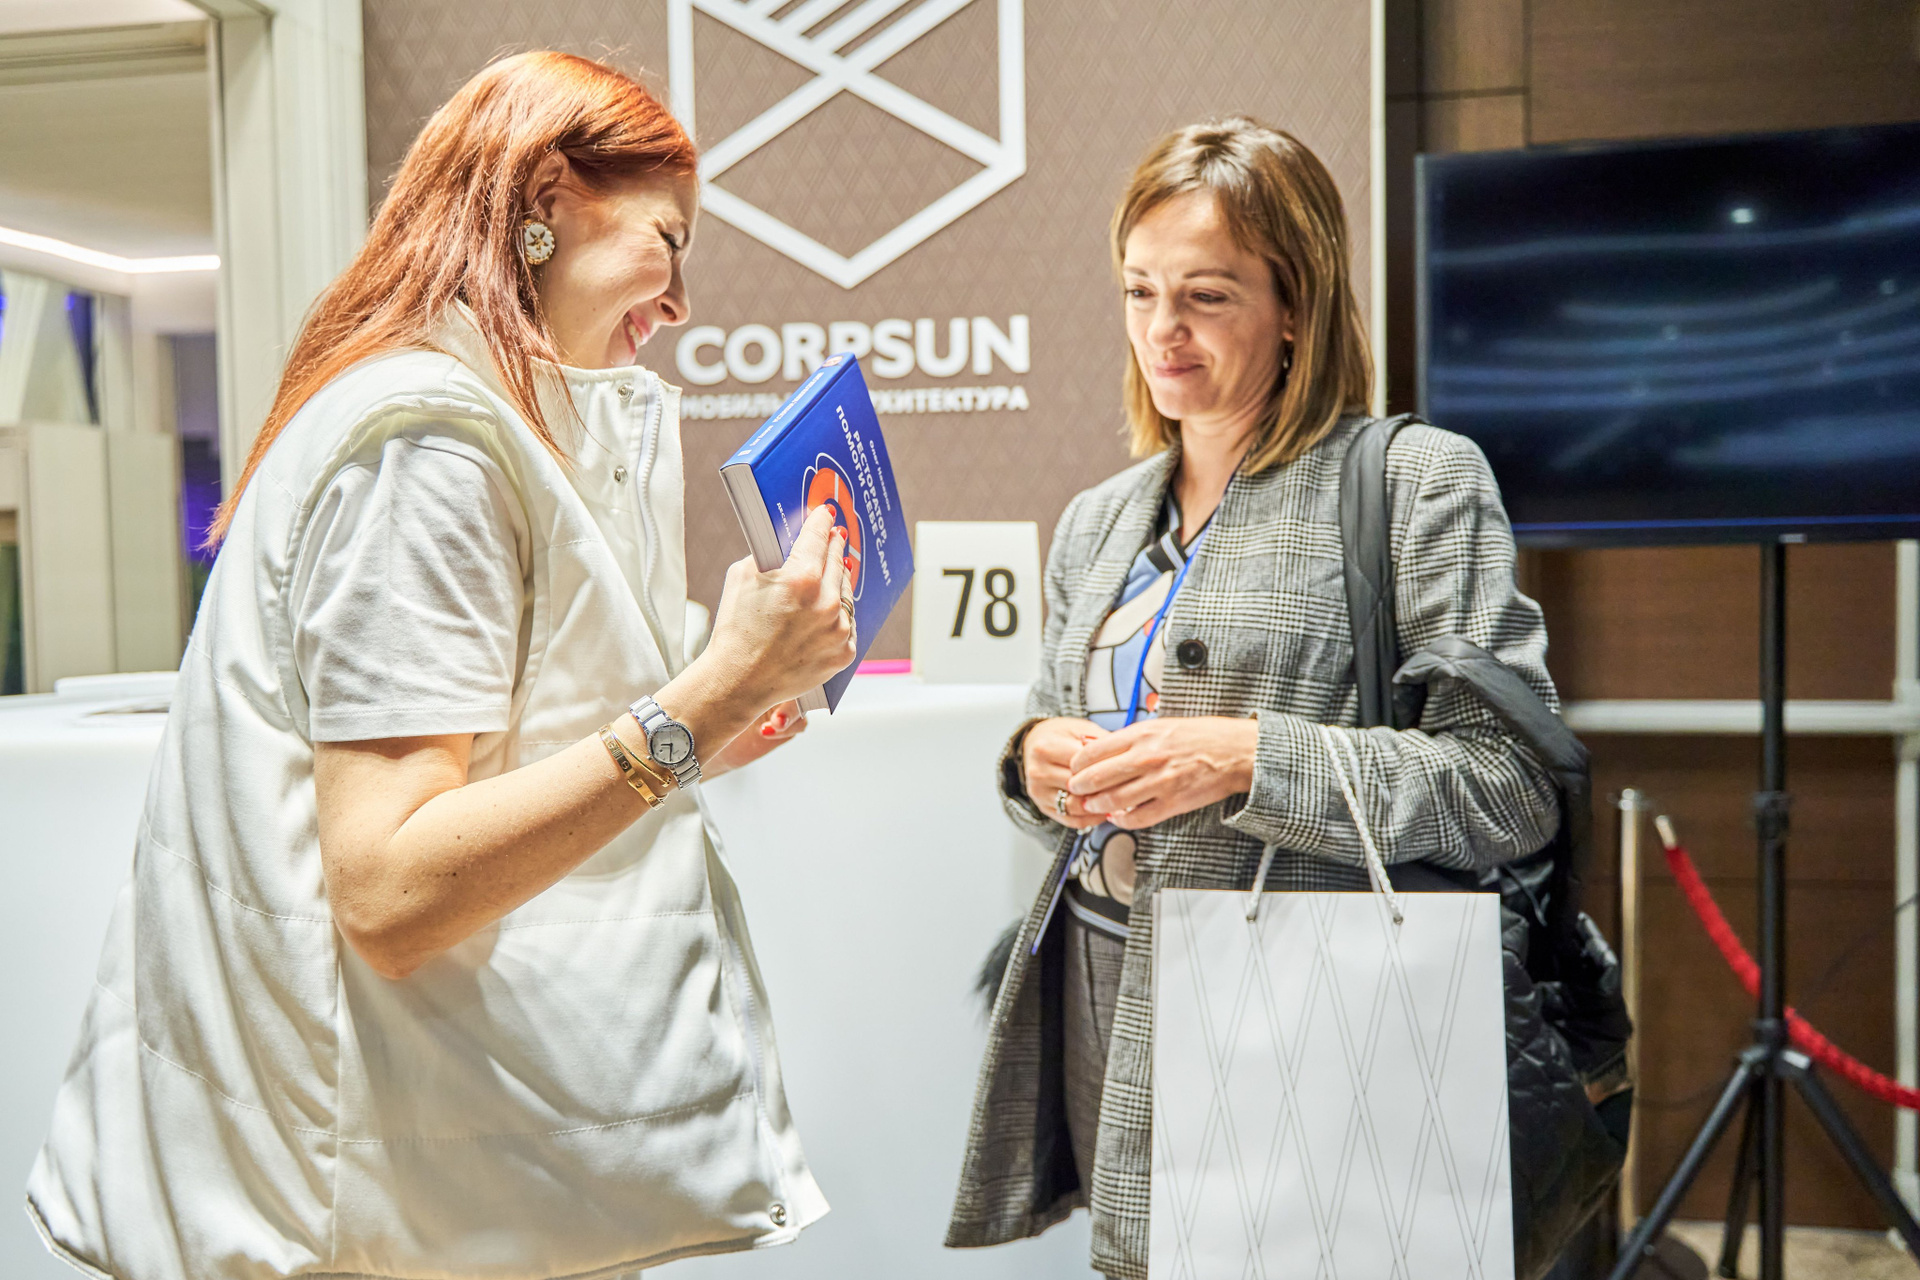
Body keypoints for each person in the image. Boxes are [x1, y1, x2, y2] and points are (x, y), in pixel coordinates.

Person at [28, 52, 847, 1280]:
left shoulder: (473, 425)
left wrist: (705, 731)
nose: (680, 300)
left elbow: (482, 762)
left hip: (439, 1187)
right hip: (379, 1210)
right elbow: (394, 890)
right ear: (549, 199)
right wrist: (704, 696)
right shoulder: (429, 449)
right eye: (668, 240)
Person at [945, 117, 1562, 1279]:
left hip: (1312, 1020)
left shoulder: (1416, 481)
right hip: (1110, 1008)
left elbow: (1508, 784)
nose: (1161, 331)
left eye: (1206, 296)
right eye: (1140, 291)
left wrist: (1247, 756)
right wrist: (1033, 761)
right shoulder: (1097, 520)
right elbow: (1047, 749)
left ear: (1296, 306)